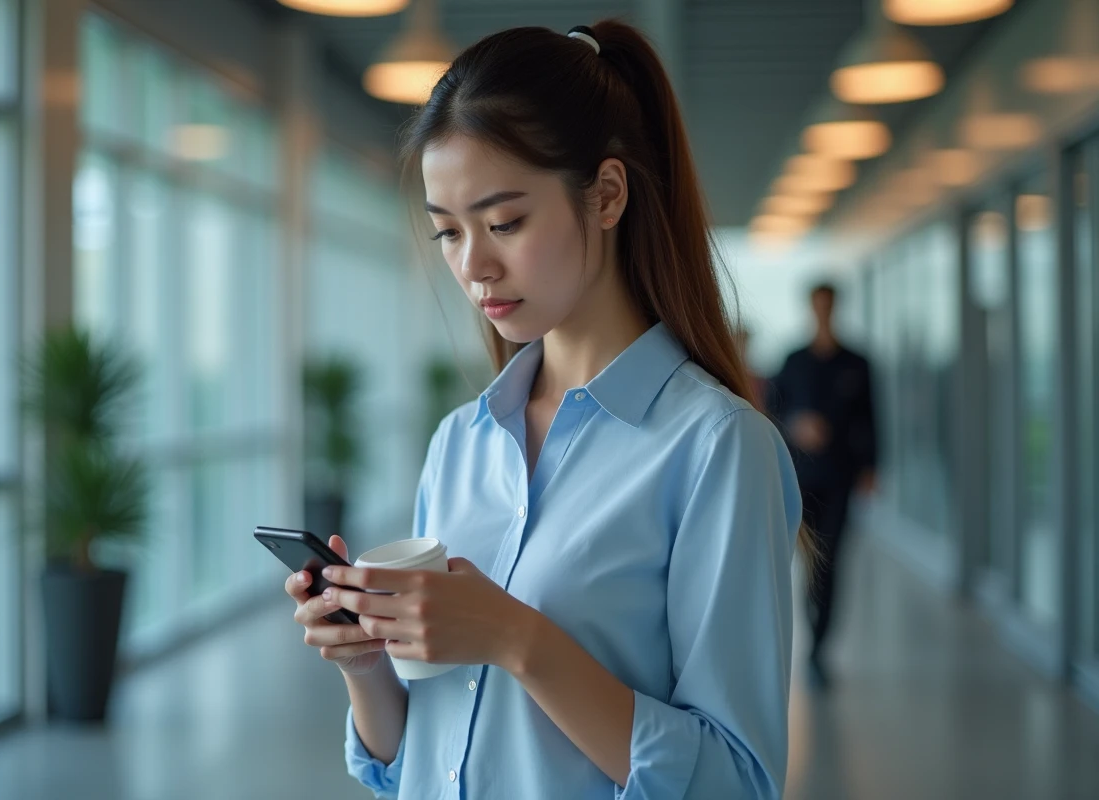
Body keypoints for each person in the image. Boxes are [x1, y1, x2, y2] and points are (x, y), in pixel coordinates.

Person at [285, 21, 810, 799]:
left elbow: (733, 781)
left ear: (605, 195)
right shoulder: (460, 442)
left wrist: (517, 638)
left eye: (504, 223)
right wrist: (367, 663)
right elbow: (419, 762)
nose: (473, 266)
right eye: (448, 232)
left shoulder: (718, 450)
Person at [770, 282, 878, 690]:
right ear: (810, 308)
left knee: (833, 557)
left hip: (842, 474)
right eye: (817, 306)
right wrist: (798, 425)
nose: (823, 312)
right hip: (802, 477)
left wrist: (871, 468)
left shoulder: (857, 362)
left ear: (835, 307)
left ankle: (819, 646)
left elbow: (872, 417)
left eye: (828, 306)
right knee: (809, 560)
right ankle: (812, 621)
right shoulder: (794, 361)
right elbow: (774, 410)